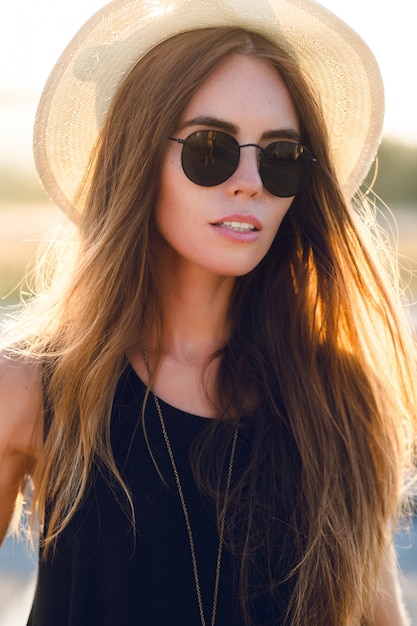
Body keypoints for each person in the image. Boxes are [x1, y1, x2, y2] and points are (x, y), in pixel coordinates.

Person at [0, 0, 416, 624]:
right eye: (212, 148)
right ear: (140, 158)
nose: (249, 179)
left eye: (280, 157)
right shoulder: (31, 387)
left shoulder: (337, 399)